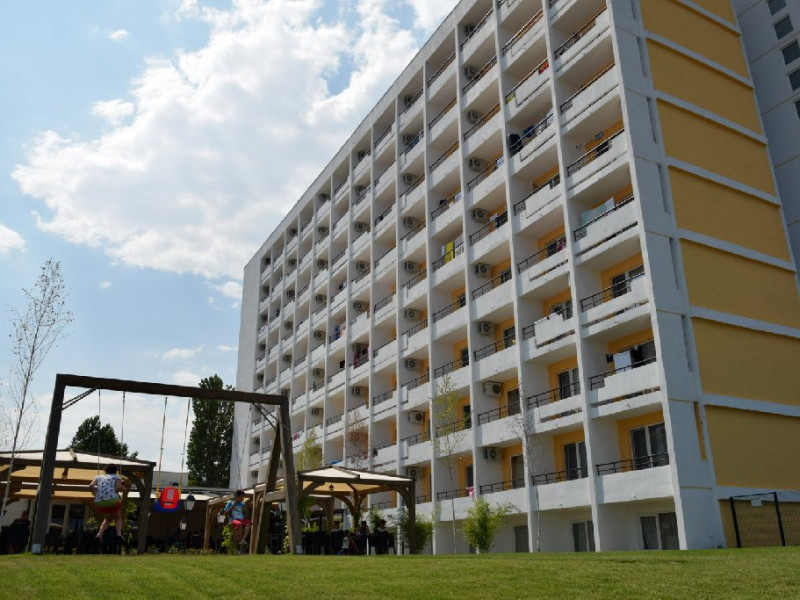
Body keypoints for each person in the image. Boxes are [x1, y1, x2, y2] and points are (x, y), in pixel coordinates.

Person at [89, 464, 125, 545]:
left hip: (100, 502)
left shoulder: (98, 477)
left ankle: (99, 535)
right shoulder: (117, 477)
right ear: (116, 471)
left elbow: (91, 485)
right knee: (117, 517)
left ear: (105, 470)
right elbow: (119, 487)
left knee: (108, 519)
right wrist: (124, 488)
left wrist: (94, 492)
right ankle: (119, 534)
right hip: (112, 500)